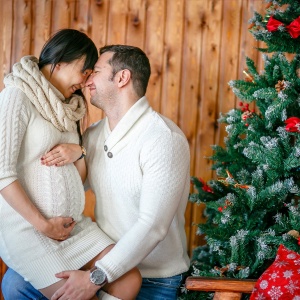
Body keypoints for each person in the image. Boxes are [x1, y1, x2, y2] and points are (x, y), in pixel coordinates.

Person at [2, 44, 191, 300]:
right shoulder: (92, 136)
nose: (86, 79)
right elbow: (69, 188)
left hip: (153, 280)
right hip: (96, 258)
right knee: (14, 283)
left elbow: (153, 226)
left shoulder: (162, 139)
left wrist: (96, 278)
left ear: (122, 78)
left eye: (96, 72)